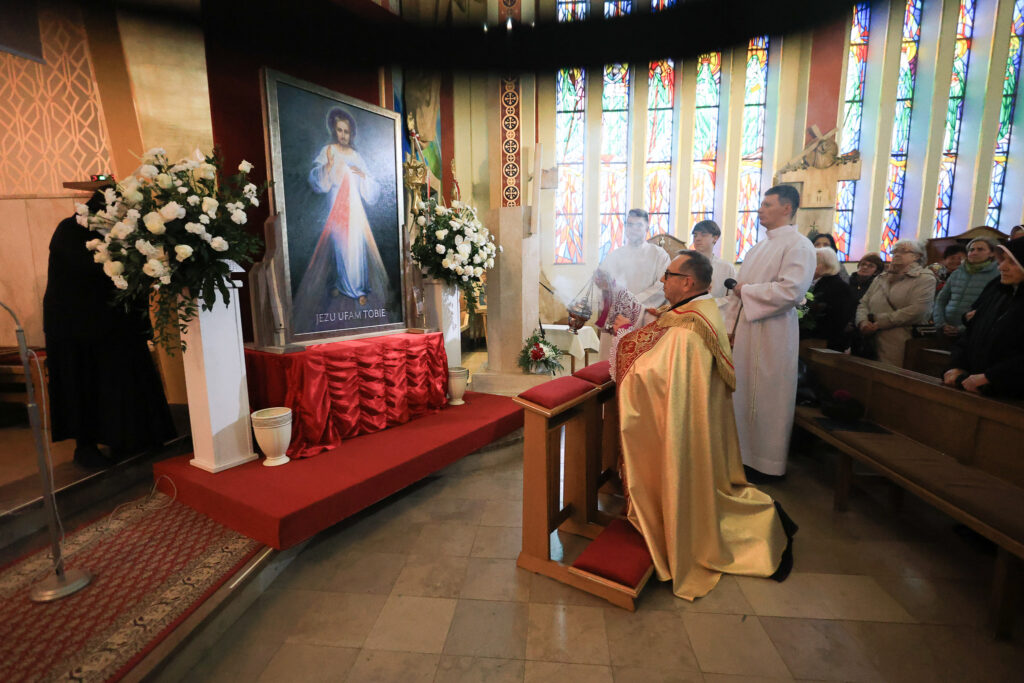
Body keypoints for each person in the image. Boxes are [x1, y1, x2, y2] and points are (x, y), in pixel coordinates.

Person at [610, 250, 796, 600]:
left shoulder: (690, 329)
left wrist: (625, 348)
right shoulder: (701, 310)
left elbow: (654, 375)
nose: (662, 280)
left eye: (668, 274)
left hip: (685, 428)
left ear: (687, 283)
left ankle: (676, 519)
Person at [43, 187, 175, 468]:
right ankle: (86, 445)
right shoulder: (70, 231)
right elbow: (89, 270)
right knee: (84, 384)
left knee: (117, 381)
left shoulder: (121, 231)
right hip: (76, 326)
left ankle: (128, 437)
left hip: (113, 322)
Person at [724, 185, 816, 480]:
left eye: (767, 204)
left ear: (787, 208)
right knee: (743, 394)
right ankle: (743, 458)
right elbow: (736, 294)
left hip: (774, 333)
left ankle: (768, 464)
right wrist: (730, 329)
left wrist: (746, 291)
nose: (760, 209)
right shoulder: (758, 248)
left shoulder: (799, 245)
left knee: (769, 397)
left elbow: (792, 291)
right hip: (747, 331)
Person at [292, 107, 390, 331]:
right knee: (341, 249)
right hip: (337, 211)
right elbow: (317, 182)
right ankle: (343, 286)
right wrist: (327, 166)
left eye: (346, 131)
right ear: (334, 130)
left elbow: (372, 187)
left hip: (356, 213)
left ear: (351, 133)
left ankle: (358, 290)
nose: (343, 135)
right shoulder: (327, 151)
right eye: (339, 130)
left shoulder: (356, 156)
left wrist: (364, 177)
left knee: (356, 249)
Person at [943, 239, 1024, 399]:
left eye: (1012, 262)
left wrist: (990, 377)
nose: (1001, 267)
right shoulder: (998, 291)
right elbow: (971, 333)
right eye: (1002, 260)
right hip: (975, 384)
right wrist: (956, 366)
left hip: (1010, 395)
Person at [595, 208, 670, 359]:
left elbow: (663, 285)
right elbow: (604, 285)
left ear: (647, 227)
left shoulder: (658, 255)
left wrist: (632, 302)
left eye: (638, 225)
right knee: (611, 361)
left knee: (637, 360)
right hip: (617, 316)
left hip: (644, 316)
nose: (633, 229)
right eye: (630, 224)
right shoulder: (615, 255)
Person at [854, 239, 936, 367]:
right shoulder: (881, 278)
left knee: (888, 374)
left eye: (903, 251)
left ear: (917, 256)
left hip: (899, 340)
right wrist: (862, 322)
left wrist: (878, 322)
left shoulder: (924, 278)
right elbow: (863, 303)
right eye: (895, 251)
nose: (897, 254)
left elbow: (918, 310)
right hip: (870, 339)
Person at [933, 238, 1000, 337]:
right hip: (945, 328)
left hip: (973, 332)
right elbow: (941, 300)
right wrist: (940, 323)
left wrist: (962, 329)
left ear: (992, 253)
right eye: (971, 250)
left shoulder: (997, 274)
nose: (974, 252)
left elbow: (992, 308)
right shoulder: (957, 272)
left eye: (980, 249)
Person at [801, 247, 854, 352]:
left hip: (825, 343)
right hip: (813, 339)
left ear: (824, 266)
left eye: (812, 263)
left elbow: (839, 320)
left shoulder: (838, 287)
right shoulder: (819, 283)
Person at [690, 219, 737, 307]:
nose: (697, 239)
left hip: (717, 311)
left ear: (715, 238)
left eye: (703, 234)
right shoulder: (684, 264)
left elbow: (734, 297)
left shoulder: (726, 268)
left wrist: (710, 304)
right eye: (695, 235)